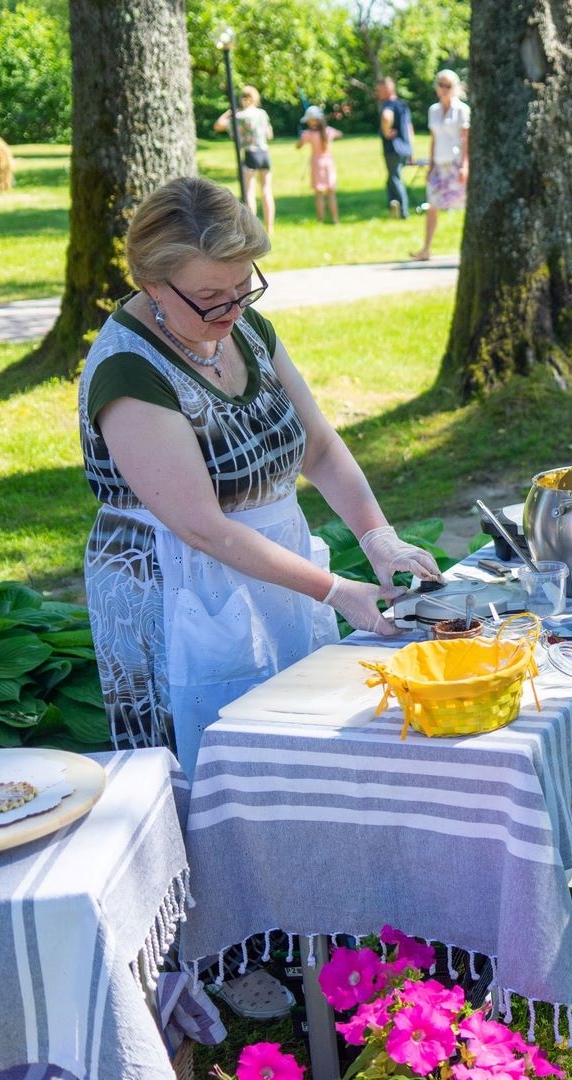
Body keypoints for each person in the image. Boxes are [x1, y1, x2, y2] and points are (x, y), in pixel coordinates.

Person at [78, 177, 440, 780]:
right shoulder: (128, 372)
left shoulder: (244, 328)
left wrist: (378, 535)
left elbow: (317, 447)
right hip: (180, 588)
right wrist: (333, 590)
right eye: (210, 296)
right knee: (215, 772)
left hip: (273, 570)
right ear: (151, 285)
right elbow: (204, 529)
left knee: (299, 753)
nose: (232, 307)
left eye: (244, 285)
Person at [411, 69, 470, 261]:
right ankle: (426, 248)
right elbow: (433, 139)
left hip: (455, 164)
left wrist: (465, 165)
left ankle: (467, 249)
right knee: (432, 205)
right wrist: (430, 166)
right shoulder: (433, 111)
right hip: (438, 163)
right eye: (441, 85)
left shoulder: (462, 110)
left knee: (464, 206)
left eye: (448, 85)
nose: (444, 89)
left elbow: (466, 140)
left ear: (455, 88)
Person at [214, 86, 276, 236]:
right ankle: (270, 228)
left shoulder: (240, 117)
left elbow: (218, 125)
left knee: (249, 192)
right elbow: (270, 134)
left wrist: (230, 111)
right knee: (267, 191)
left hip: (250, 154)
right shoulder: (262, 114)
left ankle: (252, 228)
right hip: (264, 153)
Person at [376, 76, 416, 219]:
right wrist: (411, 149)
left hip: (393, 148)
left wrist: (386, 131)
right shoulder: (402, 105)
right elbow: (410, 128)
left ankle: (403, 211)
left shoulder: (388, 105)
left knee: (395, 178)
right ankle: (393, 206)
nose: (377, 93)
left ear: (387, 89)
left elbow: (387, 117)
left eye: (379, 90)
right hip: (405, 148)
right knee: (391, 179)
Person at [295, 106, 342, 225]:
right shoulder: (328, 131)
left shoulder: (308, 134)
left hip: (317, 163)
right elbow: (339, 134)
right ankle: (335, 219)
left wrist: (301, 136)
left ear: (313, 120)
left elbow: (298, 146)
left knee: (319, 193)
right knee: (331, 193)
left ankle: (320, 219)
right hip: (328, 163)